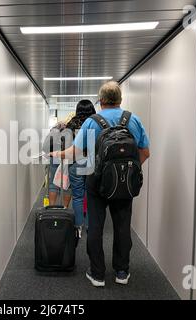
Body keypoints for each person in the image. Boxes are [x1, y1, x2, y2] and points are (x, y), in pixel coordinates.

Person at [50, 81, 150, 287]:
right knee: (122, 226)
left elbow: (75, 153)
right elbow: (145, 152)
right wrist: (129, 172)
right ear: (120, 99)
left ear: (101, 101)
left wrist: (57, 153)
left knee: (95, 226)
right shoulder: (134, 120)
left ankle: (97, 274)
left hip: (96, 180)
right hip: (125, 184)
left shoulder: (92, 122)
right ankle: (122, 272)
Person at [64, 100, 96, 238]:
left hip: (75, 162)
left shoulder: (71, 124)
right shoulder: (95, 123)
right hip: (91, 163)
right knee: (90, 196)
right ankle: (89, 226)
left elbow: (65, 143)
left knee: (77, 196)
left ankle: (78, 227)